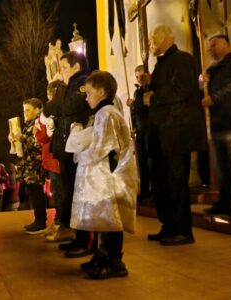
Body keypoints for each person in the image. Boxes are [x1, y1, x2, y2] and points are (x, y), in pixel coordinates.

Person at [66, 70, 137, 280]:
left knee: (110, 219)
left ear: (102, 91)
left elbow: (100, 148)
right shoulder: (104, 113)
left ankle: (114, 261)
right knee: (104, 218)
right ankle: (102, 254)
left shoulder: (106, 114)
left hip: (111, 175)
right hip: (107, 174)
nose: (86, 98)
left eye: (89, 93)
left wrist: (77, 146)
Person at [144, 24, 207, 245]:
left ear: (164, 38)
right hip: (162, 134)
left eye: (153, 38)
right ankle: (168, 225)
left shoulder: (182, 59)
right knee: (161, 183)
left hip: (177, 133)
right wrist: (148, 83)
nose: (150, 42)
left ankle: (183, 230)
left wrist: (154, 96)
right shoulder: (161, 64)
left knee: (176, 183)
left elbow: (182, 89)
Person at [46, 51, 95, 257]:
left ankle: (84, 239)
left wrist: (61, 90)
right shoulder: (68, 87)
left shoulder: (84, 84)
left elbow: (67, 107)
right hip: (65, 147)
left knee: (78, 193)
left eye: (64, 67)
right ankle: (76, 235)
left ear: (75, 67)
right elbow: (50, 109)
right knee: (69, 193)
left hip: (77, 148)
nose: (61, 72)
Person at [201, 34, 231, 217]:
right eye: (209, 46)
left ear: (226, 44)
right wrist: (203, 84)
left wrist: (214, 98)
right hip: (218, 124)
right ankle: (224, 202)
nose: (211, 49)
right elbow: (204, 92)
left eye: (214, 45)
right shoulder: (212, 70)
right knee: (222, 168)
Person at [35, 80, 73, 242]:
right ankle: (60, 223)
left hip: (55, 156)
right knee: (60, 192)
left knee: (60, 193)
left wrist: (37, 129)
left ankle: (61, 224)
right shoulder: (64, 107)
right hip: (55, 156)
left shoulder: (51, 109)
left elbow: (43, 136)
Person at [13, 98, 47, 234]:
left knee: (36, 192)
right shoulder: (29, 124)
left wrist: (20, 137)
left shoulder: (38, 123)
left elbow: (37, 143)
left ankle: (41, 222)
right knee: (33, 193)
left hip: (35, 165)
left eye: (28, 110)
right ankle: (38, 220)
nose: (25, 113)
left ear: (37, 110)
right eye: (24, 110)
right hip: (29, 164)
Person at [127, 65, 151, 202]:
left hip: (149, 128)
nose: (139, 79)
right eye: (136, 77)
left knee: (149, 161)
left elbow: (146, 104)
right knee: (141, 162)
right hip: (140, 130)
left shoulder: (149, 89)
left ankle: (153, 190)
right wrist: (134, 126)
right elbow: (135, 113)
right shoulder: (137, 92)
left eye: (141, 76)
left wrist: (134, 104)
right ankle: (144, 189)